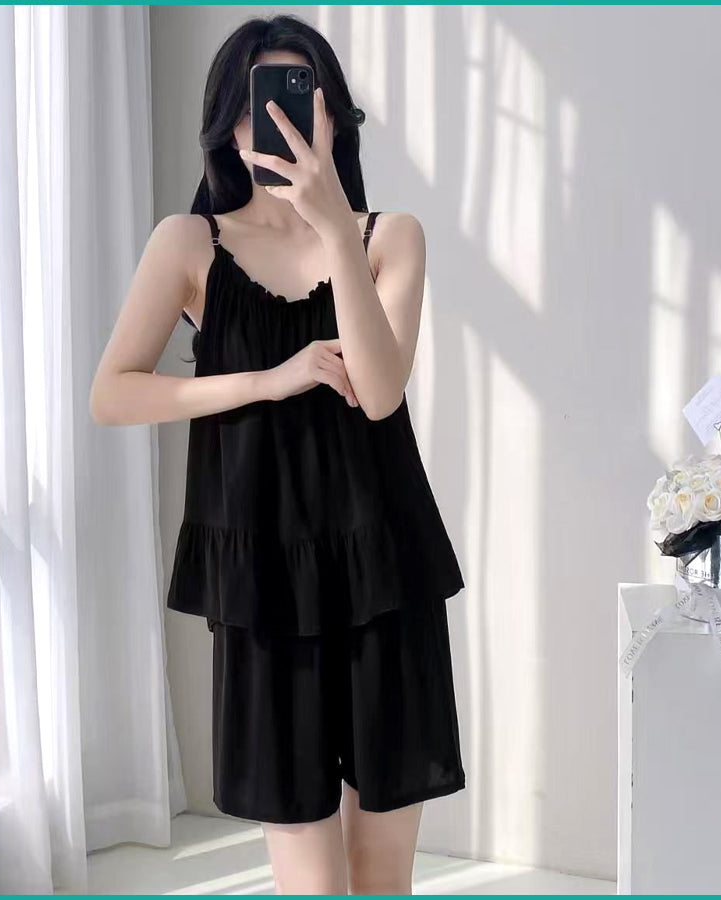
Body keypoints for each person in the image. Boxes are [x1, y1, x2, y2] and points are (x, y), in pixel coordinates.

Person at [90, 14, 466, 895]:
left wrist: (333, 227)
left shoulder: (389, 237)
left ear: (335, 117)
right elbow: (113, 393)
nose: (282, 125)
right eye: (261, 105)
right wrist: (266, 380)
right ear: (228, 124)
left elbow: (380, 391)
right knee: (310, 879)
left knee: (381, 871)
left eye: (304, 100)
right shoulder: (189, 243)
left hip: (386, 568)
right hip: (264, 577)